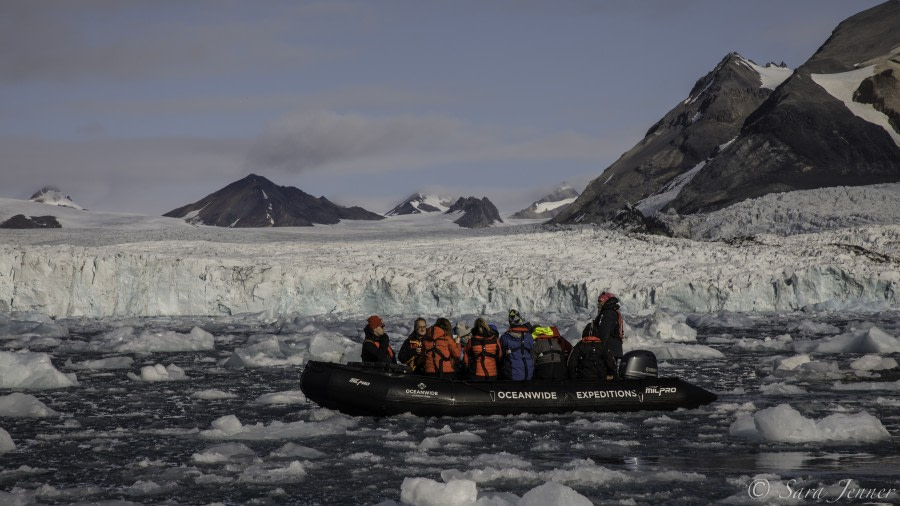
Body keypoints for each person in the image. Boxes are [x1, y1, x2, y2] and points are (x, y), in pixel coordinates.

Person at [499, 309, 534, 381]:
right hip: (528, 375)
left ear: (510, 322)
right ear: (520, 320)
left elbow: (500, 355)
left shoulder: (505, 337)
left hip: (511, 376)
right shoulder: (529, 336)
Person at [592, 291, 626, 365]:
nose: (599, 304)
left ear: (606, 301)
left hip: (609, 349)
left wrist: (599, 348)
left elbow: (604, 332)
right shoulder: (612, 312)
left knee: (607, 373)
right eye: (598, 302)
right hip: (612, 349)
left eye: (601, 301)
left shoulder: (608, 314)